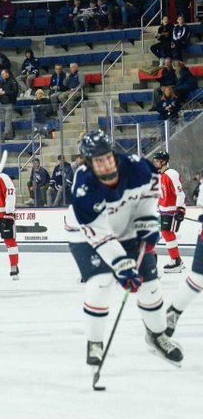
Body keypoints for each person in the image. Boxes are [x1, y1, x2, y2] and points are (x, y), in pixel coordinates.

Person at [66, 131, 182, 367]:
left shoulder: (139, 168)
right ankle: (95, 343)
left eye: (108, 156)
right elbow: (98, 233)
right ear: (88, 163)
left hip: (127, 227)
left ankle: (156, 335)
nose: (106, 163)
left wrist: (148, 225)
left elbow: (147, 200)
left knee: (150, 287)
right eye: (98, 160)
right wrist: (122, 265)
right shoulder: (83, 188)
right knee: (100, 282)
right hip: (86, 236)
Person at [152, 150, 186, 273]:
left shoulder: (171, 174)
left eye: (157, 161)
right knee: (166, 234)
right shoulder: (159, 175)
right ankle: (178, 261)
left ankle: (176, 261)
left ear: (164, 161)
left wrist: (180, 209)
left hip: (172, 210)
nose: (155, 163)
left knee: (167, 233)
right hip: (163, 210)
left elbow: (180, 193)